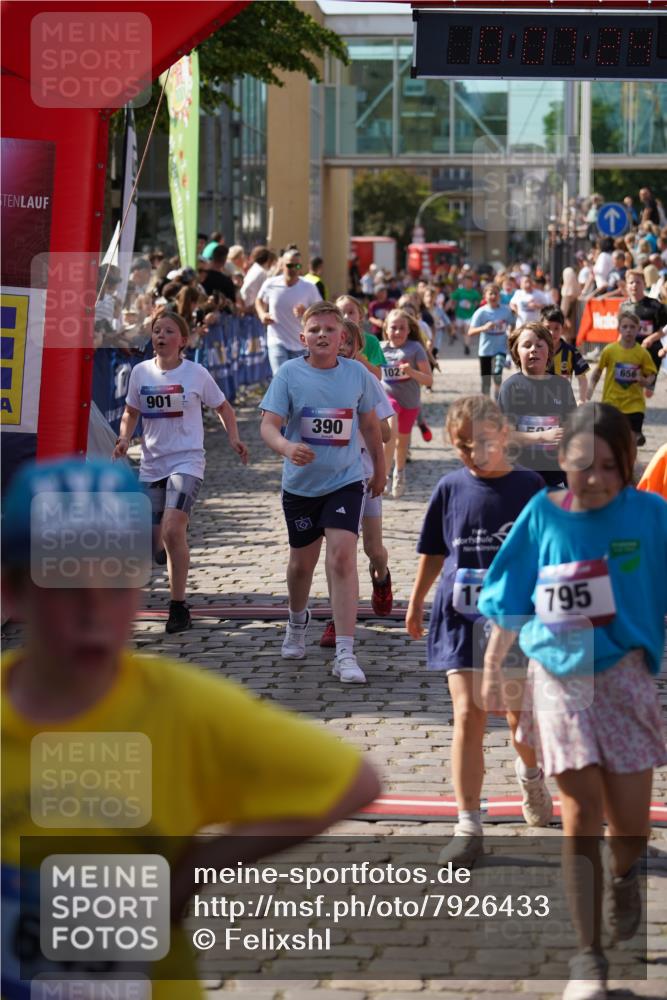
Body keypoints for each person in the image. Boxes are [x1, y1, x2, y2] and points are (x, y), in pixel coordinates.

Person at [1, 456, 381, 1000]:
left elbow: (352, 781)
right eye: (64, 585)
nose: (91, 611)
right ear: (14, 592)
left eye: (115, 583)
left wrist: (192, 873)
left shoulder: (181, 709)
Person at [478, 402, 667, 1000]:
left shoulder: (652, 514)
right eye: (584, 466)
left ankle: (626, 874)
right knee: (581, 814)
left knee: (630, 826)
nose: (596, 480)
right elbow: (509, 593)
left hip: (627, 675)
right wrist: (493, 666)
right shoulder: (543, 514)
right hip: (561, 674)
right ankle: (587, 959)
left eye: (610, 467)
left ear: (627, 466)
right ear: (562, 460)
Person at [406, 395, 550, 867]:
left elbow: (548, 554)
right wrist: (415, 603)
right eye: (464, 446)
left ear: (505, 435)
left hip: (513, 621)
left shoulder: (531, 487)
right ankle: (468, 825)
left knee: (515, 714)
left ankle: (530, 774)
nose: (475, 453)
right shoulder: (449, 488)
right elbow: (433, 550)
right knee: (468, 714)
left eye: (484, 442)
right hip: (459, 617)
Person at [259, 302, 386, 684]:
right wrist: (286, 447)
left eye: (330, 330)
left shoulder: (358, 376)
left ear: (343, 337)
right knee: (302, 565)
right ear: (303, 338)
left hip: (345, 480)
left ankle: (346, 651)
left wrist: (380, 470)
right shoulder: (288, 374)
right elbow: (268, 425)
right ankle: (297, 623)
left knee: (343, 556)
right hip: (301, 485)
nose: (322, 336)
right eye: (315, 330)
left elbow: (371, 426)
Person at [113, 311, 248, 633]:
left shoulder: (196, 373)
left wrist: (234, 437)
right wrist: (123, 437)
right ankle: (159, 548)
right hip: (152, 462)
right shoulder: (140, 372)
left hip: (187, 460)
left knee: (174, 529)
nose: (160, 336)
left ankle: (178, 605)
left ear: (182, 340)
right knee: (151, 540)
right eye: (156, 330)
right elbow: (131, 411)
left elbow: (223, 407)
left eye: (168, 331)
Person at [320, 318, 394, 648]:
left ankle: (382, 576)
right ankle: (338, 620)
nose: (343, 348)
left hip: (364, 475)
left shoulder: (364, 379)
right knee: (339, 551)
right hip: (334, 479)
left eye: (349, 343)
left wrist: (361, 425)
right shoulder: (315, 378)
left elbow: (388, 432)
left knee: (372, 549)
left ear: (356, 348)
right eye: (341, 342)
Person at [497, 322, 577, 488]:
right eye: (527, 345)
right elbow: (504, 437)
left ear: (549, 352)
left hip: (556, 477)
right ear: (516, 353)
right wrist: (542, 436)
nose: (534, 349)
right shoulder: (510, 388)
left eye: (540, 345)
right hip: (520, 477)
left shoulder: (561, 386)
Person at [380, 308, 433, 499]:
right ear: (386, 329)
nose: (397, 332)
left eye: (402, 328)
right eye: (393, 328)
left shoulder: (415, 349)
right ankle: (383, 477)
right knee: (390, 434)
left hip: (410, 402)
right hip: (387, 400)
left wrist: (411, 372)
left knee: (402, 444)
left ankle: (399, 472)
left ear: (409, 330)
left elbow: (428, 380)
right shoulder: (380, 348)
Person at [587, 309, 657, 448]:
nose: (628, 331)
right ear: (618, 329)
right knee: (611, 440)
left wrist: (644, 381)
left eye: (632, 327)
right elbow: (597, 372)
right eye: (625, 327)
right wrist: (589, 391)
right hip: (612, 402)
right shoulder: (610, 350)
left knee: (632, 440)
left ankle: (635, 441)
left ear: (639, 329)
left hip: (634, 405)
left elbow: (652, 375)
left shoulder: (642, 353)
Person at [255, 248, 321, 374]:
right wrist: (262, 314)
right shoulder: (271, 284)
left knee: (297, 382)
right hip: (277, 340)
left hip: (300, 344)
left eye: (297, 265)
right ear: (282, 265)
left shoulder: (309, 287)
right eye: (289, 265)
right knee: (281, 377)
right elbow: (259, 300)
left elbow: (320, 310)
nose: (293, 269)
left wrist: (306, 311)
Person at [467, 282, 516, 399]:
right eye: (491, 294)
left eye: (496, 294)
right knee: (486, 380)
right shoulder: (481, 312)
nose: (493, 296)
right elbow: (470, 331)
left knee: (498, 374)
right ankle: (486, 401)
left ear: (500, 296)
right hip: (485, 350)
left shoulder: (506, 311)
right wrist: (484, 328)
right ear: (485, 296)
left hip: (501, 349)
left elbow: (512, 323)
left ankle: (497, 397)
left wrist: (511, 332)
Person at [620, 269, 667, 372]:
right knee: (631, 386)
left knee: (647, 386)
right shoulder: (623, 307)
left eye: (638, 282)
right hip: (630, 352)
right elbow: (620, 332)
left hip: (651, 352)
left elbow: (664, 329)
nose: (634, 285)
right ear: (626, 286)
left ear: (644, 284)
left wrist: (651, 338)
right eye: (631, 282)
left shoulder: (655, 306)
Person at [541, 306, 590, 404]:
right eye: (548, 328)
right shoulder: (535, 350)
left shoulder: (571, 352)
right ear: (541, 328)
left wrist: (582, 399)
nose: (552, 332)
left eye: (556, 328)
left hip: (563, 405)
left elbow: (582, 379)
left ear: (562, 329)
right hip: (539, 404)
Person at [335, 294, 387, 375]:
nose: (346, 316)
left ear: (360, 315)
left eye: (351, 312)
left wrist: (357, 356)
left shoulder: (371, 341)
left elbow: (378, 376)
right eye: (341, 313)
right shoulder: (332, 340)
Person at [450, 274, 481, 355]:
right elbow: (452, 299)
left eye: (469, 282)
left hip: (470, 315)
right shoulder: (459, 291)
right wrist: (452, 305)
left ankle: (467, 346)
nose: (467, 283)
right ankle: (457, 337)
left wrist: (473, 304)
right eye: (466, 282)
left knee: (467, 330)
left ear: (472, 283)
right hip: (459, 315)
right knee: (461, 330)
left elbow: (479, 301)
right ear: (463, 282)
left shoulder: (474, 293)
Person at [240, 246, 277, 310]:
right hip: (251, 308)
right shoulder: (262, 273)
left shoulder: (255, 268)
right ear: (268, 259)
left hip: (248, 305)